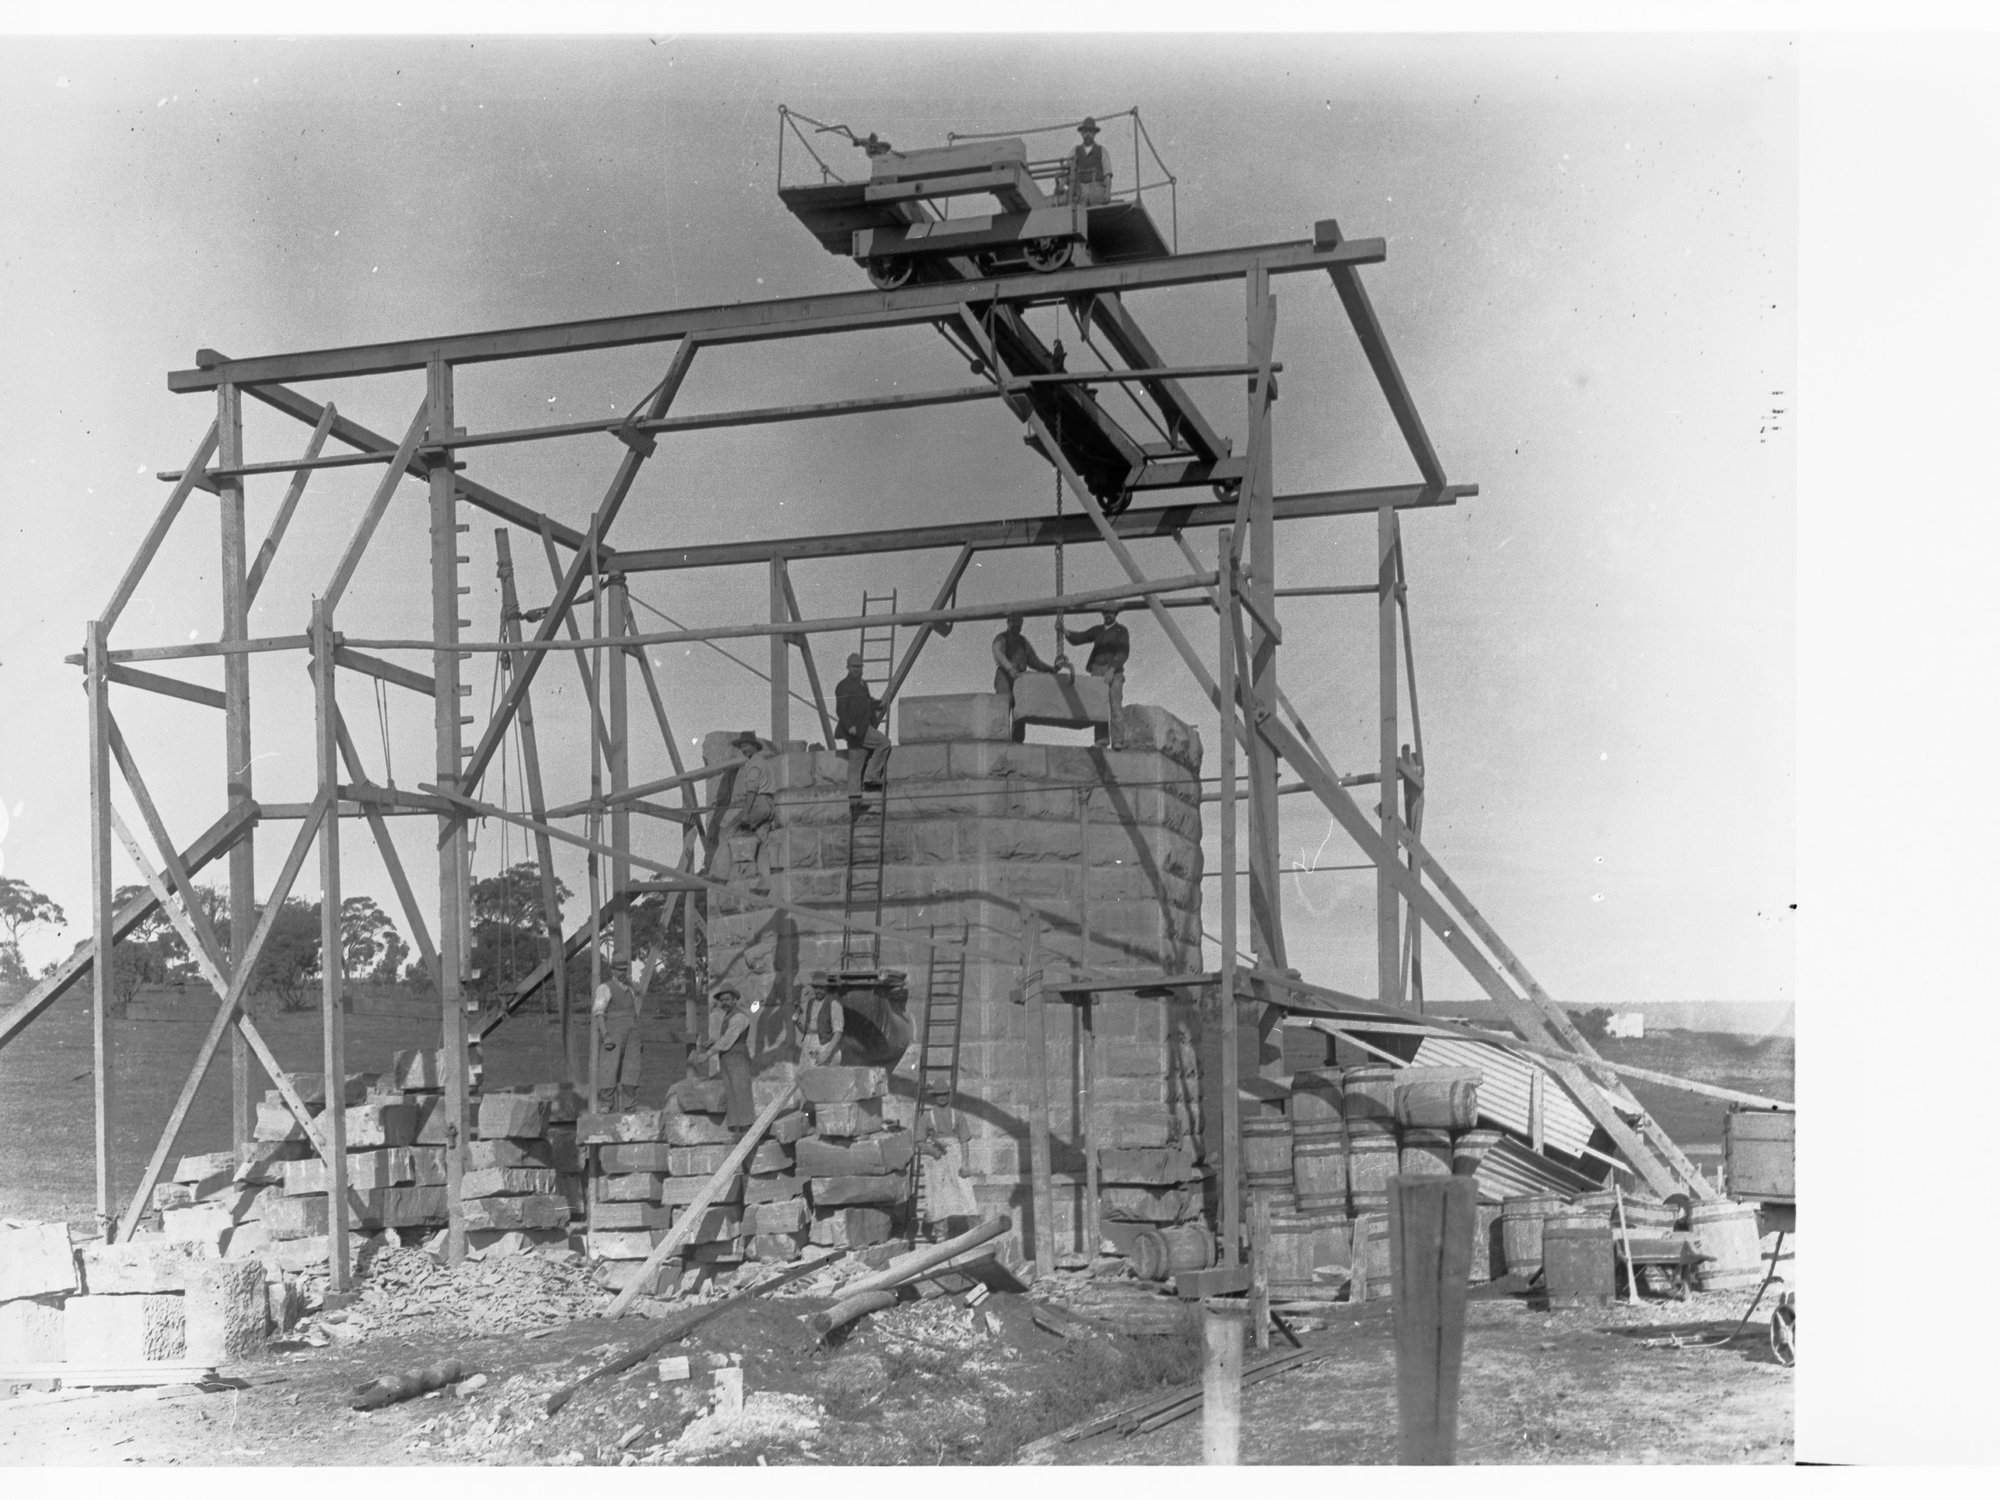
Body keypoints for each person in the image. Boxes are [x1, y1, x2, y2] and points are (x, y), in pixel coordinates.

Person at [591, 951, 652, 1112]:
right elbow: (599, 1013)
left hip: (632, 1033)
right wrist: (605, 1035)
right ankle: (606, 1103)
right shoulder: (605, 988)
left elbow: (634, 1013)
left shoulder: (630, 990)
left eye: (624, 969)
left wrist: (638, 1038)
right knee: (609, 1067)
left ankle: (629, 1103)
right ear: (612, 969)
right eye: (619, 969)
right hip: (613, 1033)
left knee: (632, 1068)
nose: (622, 973)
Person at [689, 984, 757, 1129]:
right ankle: (734, 1127)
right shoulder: (727, 1016)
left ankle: (746, 1128)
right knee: (730, 1093)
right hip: (727, 1059)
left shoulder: (739, 1017)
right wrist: (713, 1042)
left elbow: (728, 1039)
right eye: (722, 1000)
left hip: (738, 1058)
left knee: (741, 1091)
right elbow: (724, 1038)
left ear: (734, 1000)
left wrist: (707, 1055)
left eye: (727, 999)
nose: (724, 1003)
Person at [719, 730, 776, 889]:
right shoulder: (764, 762)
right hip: (770, 804)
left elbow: (752, 790)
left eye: (746, 746)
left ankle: (720, 876)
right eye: (742, 747)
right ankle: (766, 881)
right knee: (760, 842)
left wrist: (745, 813)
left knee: (728, 831)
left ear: (753, 746)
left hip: (758, 803)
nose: (743, 750)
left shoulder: (753, 764)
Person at [1064, 606, 1131, 740]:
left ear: (1115, 614)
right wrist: (1065, 632)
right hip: (1097, 670)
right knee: (1099, 707)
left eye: (1110, 612)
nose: (1108, 614)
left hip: (1114, 671)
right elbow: (1080, 637)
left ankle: (1118, 740)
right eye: (1105, 612)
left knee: (1115, 704)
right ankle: (1101, 740)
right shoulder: (1098, 630)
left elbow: (1123, 651)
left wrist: (1112, 669)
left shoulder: (1121, 630)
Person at [834, 652, 890, 808]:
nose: (857, 669)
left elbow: (866, 701)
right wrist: (849, 725)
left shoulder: (863, 684)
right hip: (855, 729)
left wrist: (876, 703)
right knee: (883, 743)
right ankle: (871, 776)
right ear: (848, 667)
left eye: (859, 666)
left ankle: (855, 797)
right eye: (854, 666)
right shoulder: (843, 686)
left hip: (863, 727)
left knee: (856, 763)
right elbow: (841, 710)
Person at [991, 613, 1054, 699]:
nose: (1017, 625)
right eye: (1014, 621)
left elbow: (1033, 660)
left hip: (1020, 677)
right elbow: (998, 653)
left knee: (1023, 705)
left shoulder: (1023, 641)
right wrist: (1010, 669)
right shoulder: (1001, 638)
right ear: (1008, 623)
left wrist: (1048, 668)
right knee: (1003, 702)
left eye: (1019, 622)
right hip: (1004, 676)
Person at [1065, 117, 1111, 207]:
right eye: (1085, 132)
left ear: (1094, 134)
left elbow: (1107, 174)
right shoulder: (1075, 150)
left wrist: (1108, 193)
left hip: (1097, 192)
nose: (1088, 135)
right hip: (1080, 193)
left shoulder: (1102, 151)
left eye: (1090, 132)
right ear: (1082, 134)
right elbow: (1066, 169)